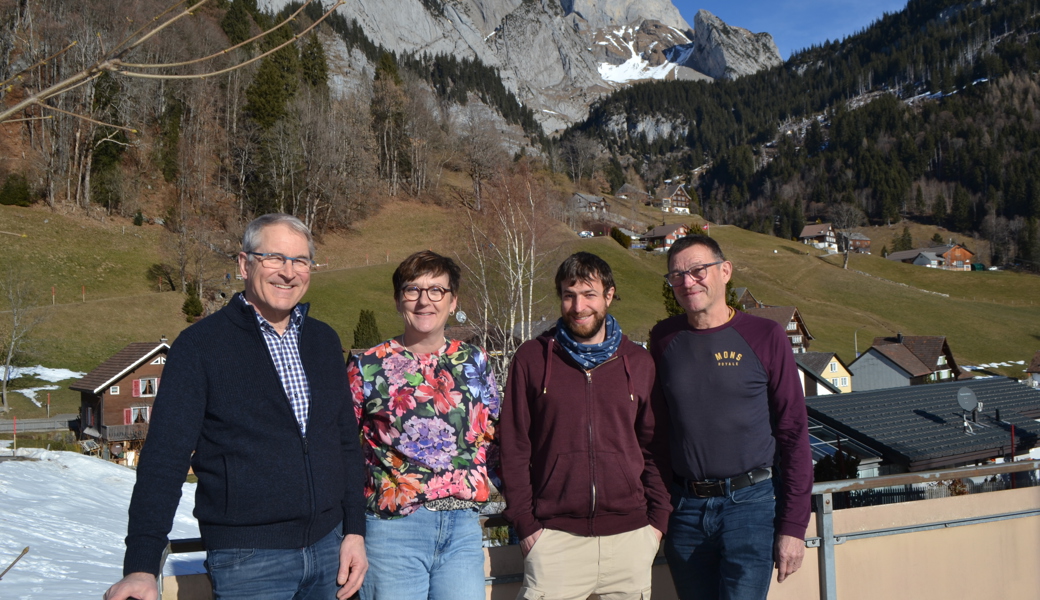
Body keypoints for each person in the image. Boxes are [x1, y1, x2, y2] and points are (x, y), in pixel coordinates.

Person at [104, 214, 367, 600]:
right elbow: (164, 459)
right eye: (274, 258)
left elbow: (345, 443)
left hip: (331, 551)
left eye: (300, 260)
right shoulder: (200, 347)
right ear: (245, 265)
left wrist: (355, 530)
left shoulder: (323, 341)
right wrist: (141, 566)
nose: (288, 272)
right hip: (249, 561)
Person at [650, 234, 813, 600]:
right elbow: (656, 434)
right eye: (676, 275)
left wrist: (793, 526)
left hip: (751, 506)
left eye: (698, 270)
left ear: (725, 271)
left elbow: (793, 432)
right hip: (685, 510)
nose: (687, 282)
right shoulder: (663, 339)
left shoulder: (766, 336)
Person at [501, 251, 671, 600]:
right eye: (569, 295)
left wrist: (657, 524)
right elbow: (514, 447)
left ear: (609, 295)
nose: (579, 307)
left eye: (589, 294)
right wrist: (526, 526)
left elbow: (655, 449)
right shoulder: (532, 359)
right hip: (554, 542)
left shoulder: (639, 363)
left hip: (630, 540)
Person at [348, 250, 500, 600]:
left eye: (436, 290)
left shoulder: (474, 361)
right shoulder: (368, 366)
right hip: (393, 532)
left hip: (462, 529)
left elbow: (494, 433)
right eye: (412, 290)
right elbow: (340, 446)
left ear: (453, 300)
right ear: (398, 299)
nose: (424, 301)